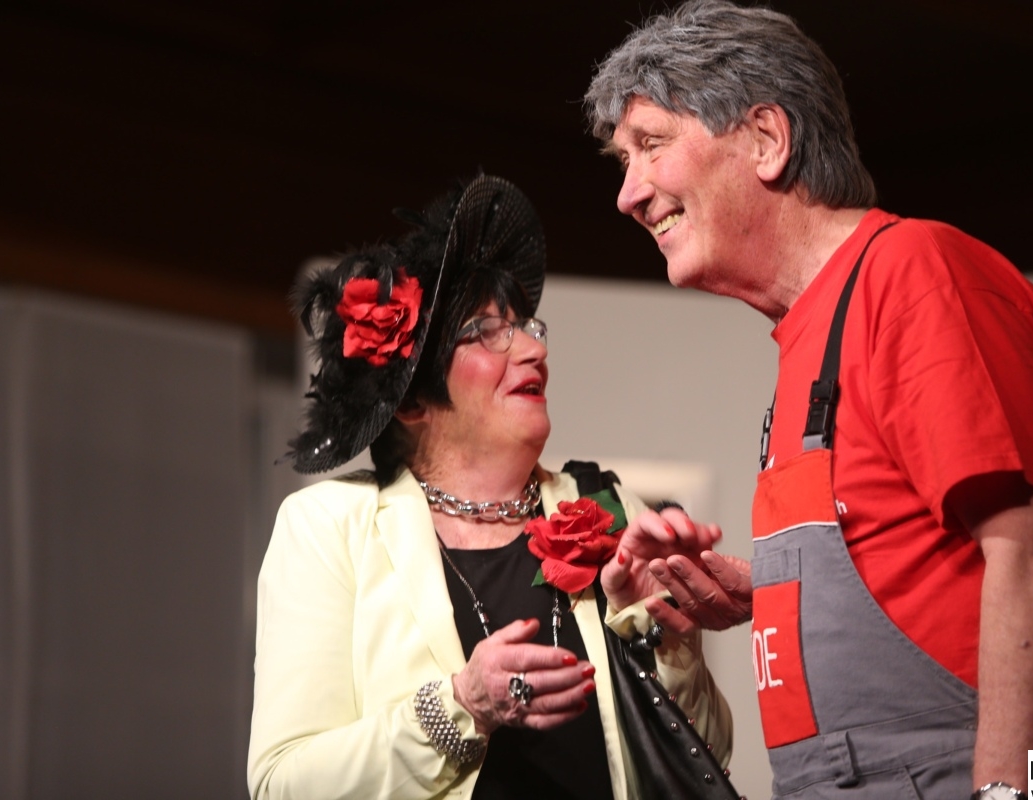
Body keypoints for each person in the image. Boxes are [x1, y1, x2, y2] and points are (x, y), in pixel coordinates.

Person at [584, 2, 1033, 798]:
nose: (627, 194)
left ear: (766, 140)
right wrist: (773, 590)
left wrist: (1004, 792)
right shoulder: (814, 329)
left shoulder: (913, 272)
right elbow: (924, 556)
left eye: (650, 145)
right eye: (622, 160)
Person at [246, 173, 734, 800]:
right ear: (411, 401)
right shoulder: (328, 527)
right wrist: (462, 708)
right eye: (485, 331)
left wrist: (666, 634)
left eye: (527, 326)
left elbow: (708, 755)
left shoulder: (607, 509)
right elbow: (283, 783)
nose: (532, 349)